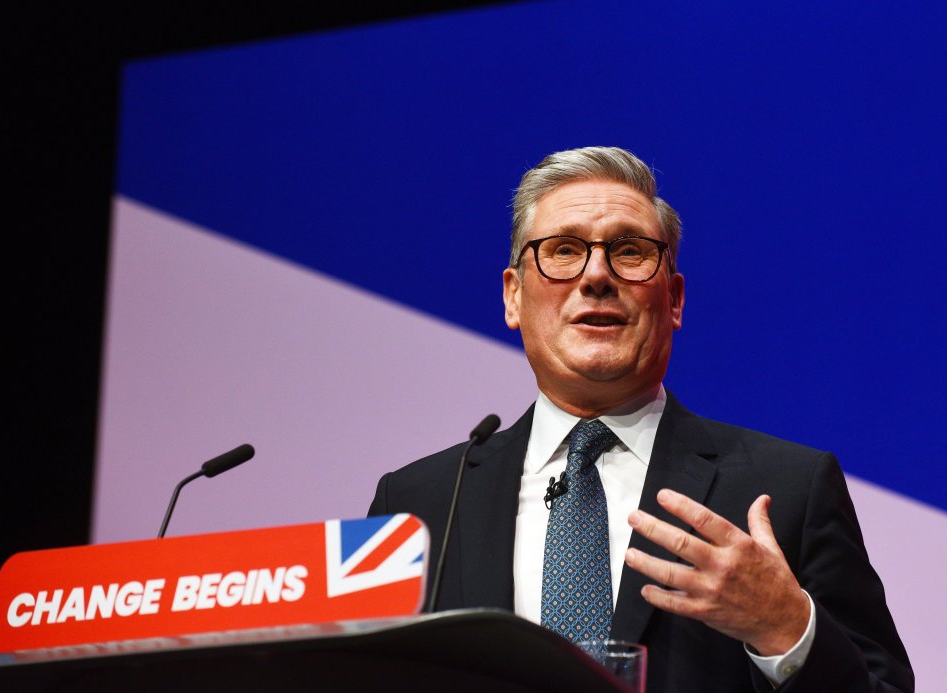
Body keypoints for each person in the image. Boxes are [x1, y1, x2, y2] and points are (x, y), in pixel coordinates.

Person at [368, 146, 912, 692]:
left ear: (673, 299)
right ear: (513, 296)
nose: (596, 275)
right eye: (563, 250)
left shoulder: (786, 489)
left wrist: (788, 628)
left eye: (629, 251)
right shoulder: (421, 503)